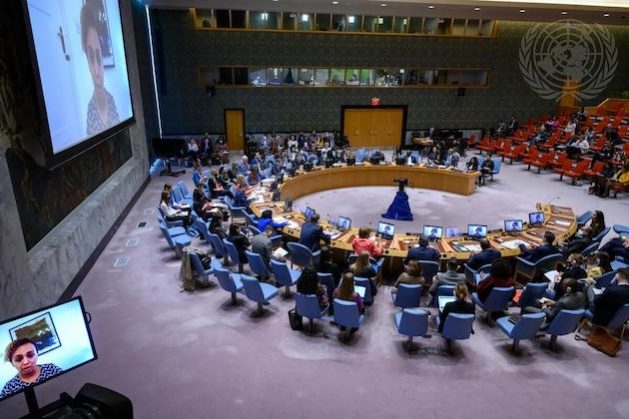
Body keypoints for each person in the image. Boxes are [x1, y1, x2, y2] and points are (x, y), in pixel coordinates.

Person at [81, 3, 120, 136]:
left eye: (99, 57)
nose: (97, 72)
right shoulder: (89, 111)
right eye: (91, 58)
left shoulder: (112, 100)